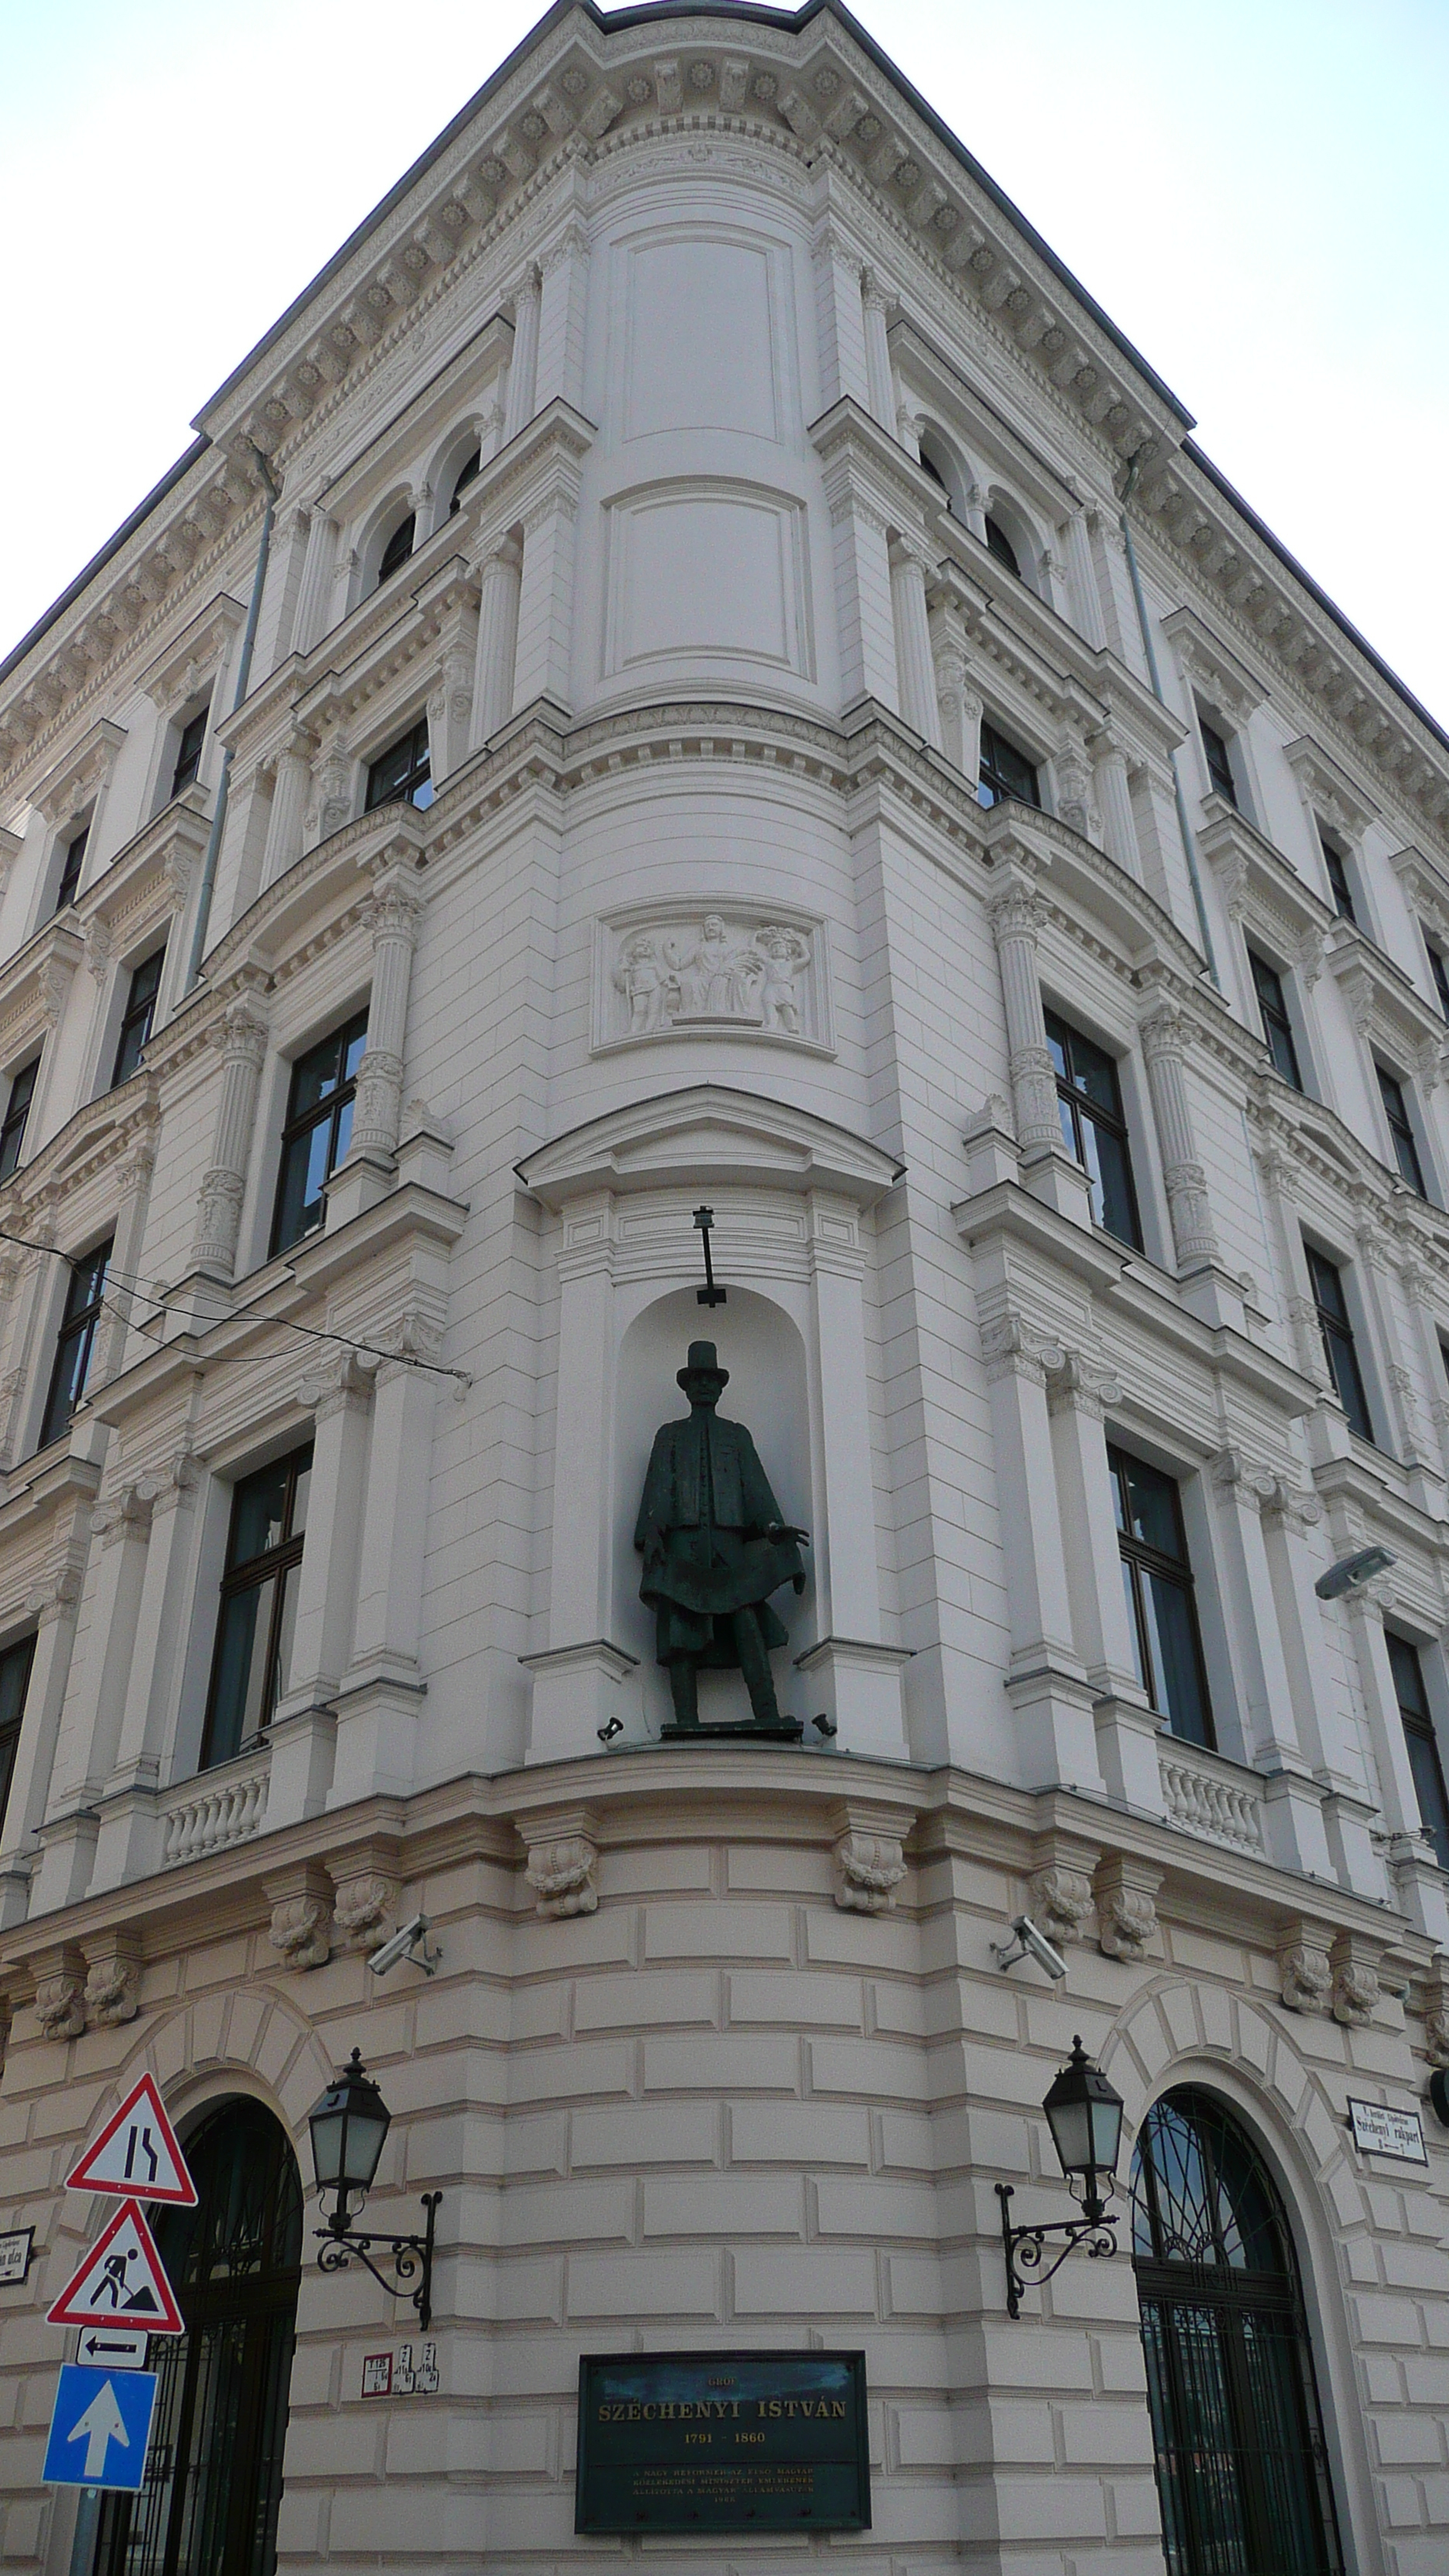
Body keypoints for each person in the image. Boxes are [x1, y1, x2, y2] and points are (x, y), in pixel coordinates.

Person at [635, 1342, 806, 1731]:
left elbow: (756, 1489)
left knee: (747, 1622)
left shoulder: (736, 1435)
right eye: (698, 1380)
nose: (705, 1387)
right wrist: (654, 1534)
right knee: (682, 1628)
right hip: (683, 1544)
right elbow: (659, 1489)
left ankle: (767, 1713)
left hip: (729, 1546)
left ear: (720, 1387)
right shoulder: (670, 1436)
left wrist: (774, 1529)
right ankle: (686, 1721)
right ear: (687, 1388)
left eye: (711, 1380)